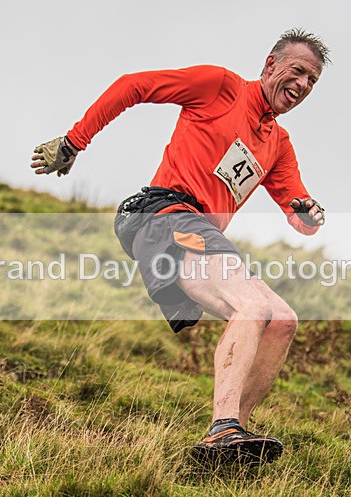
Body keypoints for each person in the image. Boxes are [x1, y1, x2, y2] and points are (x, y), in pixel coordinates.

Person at [31, 28, 329, 465]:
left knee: (282, 320)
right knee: (251, 307)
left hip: (199, 234)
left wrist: (307, 215)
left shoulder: (278, 144)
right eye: (298, 71)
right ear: (271, 65)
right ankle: (223, 427)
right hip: (166, 215)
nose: (302, 85)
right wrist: (75, 141)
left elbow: (296, 211)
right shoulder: (221, 87)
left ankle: (231, 439)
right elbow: (132, 86)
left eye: (312, 81)